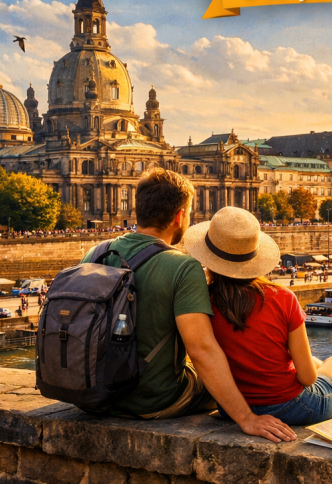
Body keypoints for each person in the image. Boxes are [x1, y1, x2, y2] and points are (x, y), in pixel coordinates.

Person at [79, 168, 295, 443]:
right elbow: (202, 350)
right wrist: (246, 418)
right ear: (180, 215)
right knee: (243, 379)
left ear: (138, 209)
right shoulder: (183, 266)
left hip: (94, 395)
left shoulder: (96, 252)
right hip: (152, 402)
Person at [184, 207, 332, 426]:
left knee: (317, 363)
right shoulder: (283, 298)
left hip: (232, 408)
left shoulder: (202, 302)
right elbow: (307, 378)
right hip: (293, 408)